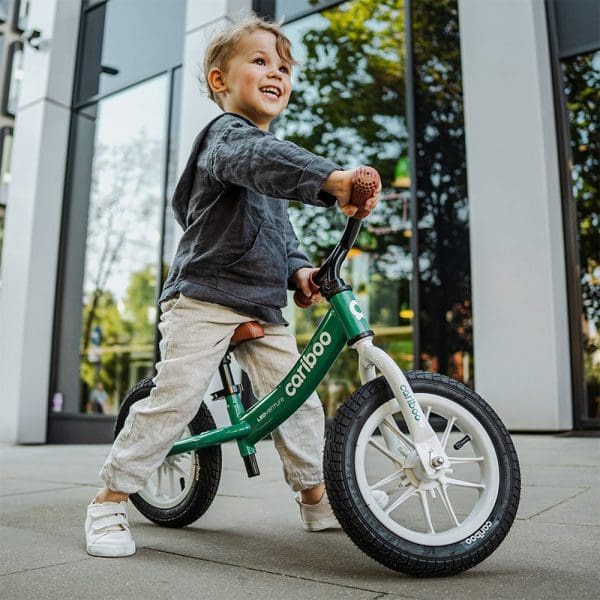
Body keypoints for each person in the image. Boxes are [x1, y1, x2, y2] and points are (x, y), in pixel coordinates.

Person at [84, 13, 380, 558]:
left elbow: (281, 231)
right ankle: (110, 500)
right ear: (221, 81)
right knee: (176, 396)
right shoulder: (227, 139)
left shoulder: (267, 164)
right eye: (261, 61)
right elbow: (258, 158)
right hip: (203, 296)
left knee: (298, 401)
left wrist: (298, 271)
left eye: (284, 67)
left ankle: (315, 496)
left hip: (262, 306)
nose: (276, 73)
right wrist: (330, 179)